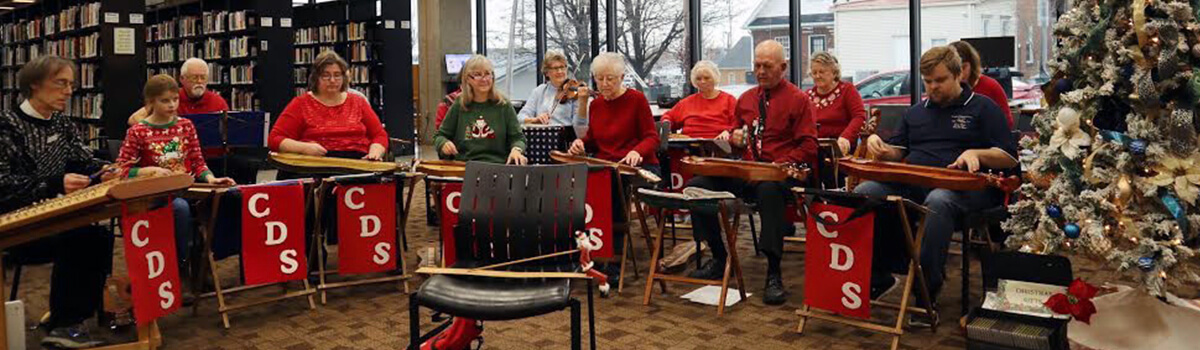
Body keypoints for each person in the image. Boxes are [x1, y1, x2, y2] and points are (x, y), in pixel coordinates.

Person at [855, 46, 1017, 326]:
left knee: (939, 202)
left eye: (939, 80)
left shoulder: (982, 108)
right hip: (917, 181)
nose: (932, 87)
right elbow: (899, 151)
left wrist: (976, 153)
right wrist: (882, 149)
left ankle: (925, 292)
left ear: (958, 74)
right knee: (865, 193)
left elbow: (1009, 157)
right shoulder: (916, 113)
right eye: (927, 81)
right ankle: (880, 273)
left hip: (968, 189)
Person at [684, 40, 819, 306]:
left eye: (767, 66)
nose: (760, 71)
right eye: (756, 65)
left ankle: (773, 271)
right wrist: (735, 138)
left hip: (779, 174)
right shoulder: (745, 99)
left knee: (769, 191)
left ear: (783, 67)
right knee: (696, 185)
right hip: (746, 170)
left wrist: (779, 165)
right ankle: (720, 257)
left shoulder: (799, 100)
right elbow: (737, 136)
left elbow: (809, 145)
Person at [0, 55, 114, 348]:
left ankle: (66, 319)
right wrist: (53, 183)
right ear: (34, 85)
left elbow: (83, 160)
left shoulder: (62, 124)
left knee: (97, 235)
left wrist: (106, 170)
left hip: (55, 216)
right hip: (15, 224)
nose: (69, 90)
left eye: (71, 84)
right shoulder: (6, 126)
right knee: (82, 238)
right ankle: (66, 324)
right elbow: (2, 186)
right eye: (60, 83)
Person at [115, 74, 237, 282]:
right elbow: (119, 170)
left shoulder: (186, 126)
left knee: (231, 195)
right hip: (157, 193)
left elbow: (198, 161)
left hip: (187, 186)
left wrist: (210, 179)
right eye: (165, 100)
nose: (172, 105)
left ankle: (210, 255)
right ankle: (182, 265)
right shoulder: (139, 131)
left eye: (175, 99)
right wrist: (145, 171)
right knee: (179, 208)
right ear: (150, 102)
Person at [270, 51, 388, 164]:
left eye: (337, 75)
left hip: (357, 162)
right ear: (316, 78)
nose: (332, 80)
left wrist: (375, 151)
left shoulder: (358, 102)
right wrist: (304, 148)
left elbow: (379, 134)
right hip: (316, 164)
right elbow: (275, 139)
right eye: (326, 76)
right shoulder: (300, 104)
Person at [567, 52, 660, 173]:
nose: (604, 84)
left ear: (621, 77)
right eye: (599, 79)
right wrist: (580, 144)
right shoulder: (596, 104)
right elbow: (592, 141)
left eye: (610, 79)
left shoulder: (637, 99)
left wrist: (636, 151)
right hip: (605, 166)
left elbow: (651, 137)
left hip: (635, 166)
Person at [433, 55, 528, 165]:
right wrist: (443, 143)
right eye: (478, 75)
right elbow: (439, 136)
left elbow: (518, 138)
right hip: (466, 167)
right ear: (468, 79)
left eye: (488, 74)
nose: (484, 79)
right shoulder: (459, 103)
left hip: (498, 167)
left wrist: (516, 150)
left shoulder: (504, 104)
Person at [128, 58, 229, 125]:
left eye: (203, 78)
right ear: (182, 79)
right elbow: (134, 119)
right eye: (194, 78)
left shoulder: (217, 101)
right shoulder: (171, 98)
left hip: (214, 155)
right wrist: (158, 131)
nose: (199, 81)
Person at [806, 52, 866, 155]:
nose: (817, 76)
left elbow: (859, 117)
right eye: (814, 72)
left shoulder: (847, 90)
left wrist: (846, 137)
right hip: (813, 149)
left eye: (822, 72)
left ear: (834, 72)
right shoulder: (807, 96)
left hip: (841, 150)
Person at [661, 60, 738, 139]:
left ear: (715, 78)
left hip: (718, 143)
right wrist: (666, 123)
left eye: (707, 78)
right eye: (698, 79)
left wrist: (728, 131)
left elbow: (737, 124)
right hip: (689, 145)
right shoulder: (687, 102)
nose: (703, 81)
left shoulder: (729, 100)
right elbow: (669, 116)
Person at [517, 50, 590, 129]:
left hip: (567, 137)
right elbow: (520, 117)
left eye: (562, 67)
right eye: (555, 68)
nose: (560, 71)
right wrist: (534, 120)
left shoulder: (575, 93)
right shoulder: (539, 91)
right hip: (543, 136)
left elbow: (579, 125)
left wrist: (583, 103)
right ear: (547, 72)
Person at [950, 40, 1014, 129]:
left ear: (972, 65)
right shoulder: (945, 90)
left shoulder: (991, 86)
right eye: (955, 69)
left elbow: (1007, 123)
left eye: (964, 67)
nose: (960, 74)